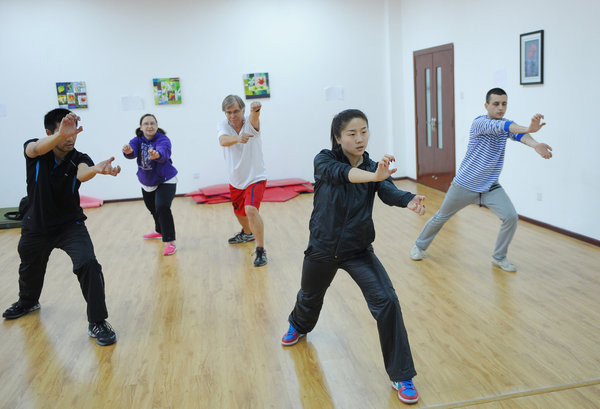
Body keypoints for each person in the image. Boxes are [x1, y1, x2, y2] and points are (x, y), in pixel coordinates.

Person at [282, 109, 426, 404]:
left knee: (387, 301)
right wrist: (374, 175)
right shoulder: (324, 161)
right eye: (352, 133)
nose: (360, 138)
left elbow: (386, 189)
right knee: (310, 296)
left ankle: (401, 375)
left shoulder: (374, 167)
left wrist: (408, 198)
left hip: (357, 250)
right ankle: (298, 324)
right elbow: (344, 175)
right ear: (337, 137)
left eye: (364, 131)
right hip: (322, 247)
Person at [3, 109, 120, 346]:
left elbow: (83, 172)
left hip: (69, 225)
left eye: (74, 132)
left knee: (88, 263)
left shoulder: (78, 157)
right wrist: (59, 136)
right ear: (49, 132)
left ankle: (97, 322)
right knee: (29, 265)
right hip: (36, 224)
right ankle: (28, 301)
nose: (70, 138)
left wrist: (96, 170)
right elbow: (34, 149)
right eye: (63, 132)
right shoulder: (36, 151)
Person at [410, 88, 552, 271]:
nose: (501, 108)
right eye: (496, 104)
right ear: (486, 106)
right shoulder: (480, 123)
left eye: (504, 103)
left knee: (510, 217)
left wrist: (535, 145)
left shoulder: (507, 124)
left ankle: (499, 257)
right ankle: (419, 246)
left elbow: (519, 135)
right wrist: (529, 127)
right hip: (464, 185)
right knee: (441, 217)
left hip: (490, 187)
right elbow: (504, 127)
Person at [217, 95, 268, 267]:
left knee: (251, 210)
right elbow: (223, 140)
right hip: (236, 179)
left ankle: (260, 250)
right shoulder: (223, 125)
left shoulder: (250, 123)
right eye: (229, 112)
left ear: (243, 110)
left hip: (255, 177)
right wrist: (238, 138)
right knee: (239, 213)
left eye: (236, 111)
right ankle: (247, 233)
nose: (233, 115)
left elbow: (255, 119)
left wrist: (256, 110)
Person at [122, 114, 178, 256]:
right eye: (146, 124)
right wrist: (128, 152)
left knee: (162, 207)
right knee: (152, 208)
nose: (149, 126)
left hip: (166, 179)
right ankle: (159, 231)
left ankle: (170, 241)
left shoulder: (163, 139)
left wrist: (157, 154)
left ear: (157, 125)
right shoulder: (137, 140)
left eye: (152, 123)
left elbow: (163, 150)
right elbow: (132, 151)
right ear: (141, 127)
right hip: (146, 181)